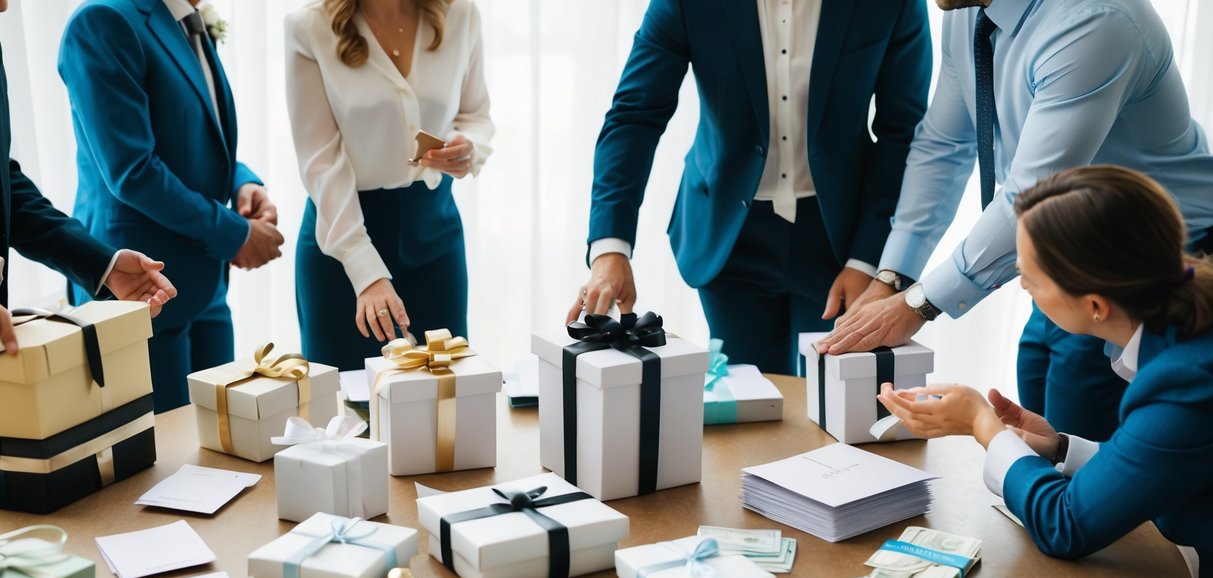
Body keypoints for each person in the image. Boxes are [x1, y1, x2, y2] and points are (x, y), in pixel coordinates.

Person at [877, 165, 1213, 578]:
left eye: (1029, 278)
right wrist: (1058, 447)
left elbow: (1064, 525)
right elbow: (1177, 460)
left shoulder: (1186, 378)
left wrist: (980, 426)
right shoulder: (1183, 331)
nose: (1021, 289)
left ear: (1092, 305)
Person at [820, 0, 1213, 442]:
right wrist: (893, 278)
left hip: (1145, 267)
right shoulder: (967, 11)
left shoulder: (1094, 20)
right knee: (1043, 432)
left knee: (1083, 475)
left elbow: (1026, 194)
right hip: (1061, 260)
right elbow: (944, 145)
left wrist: (920, 304)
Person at [568, 0, 932, 375]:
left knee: (837, 408)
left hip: (845, 237)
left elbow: (904, 131)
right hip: (730, 240)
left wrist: (867, 259)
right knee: (749, 406)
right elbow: (635, 116)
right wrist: (609, 249)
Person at [58, 0, 284, 412]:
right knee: (160, 464)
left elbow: (194, 137)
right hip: (140, 287)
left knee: (222, 447)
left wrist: (243, 181)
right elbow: (133, 169)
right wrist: (236, 234)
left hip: (205, 281)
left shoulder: (187, 19)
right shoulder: (103, 21)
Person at [285, 0, 493, 371]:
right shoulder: (308, 27)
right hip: (342, 245)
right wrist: (365, 271)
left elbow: (475, 115)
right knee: (348, 413)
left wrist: (468, 147)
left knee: (443, 401)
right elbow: (321, 162)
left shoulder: (461, 14)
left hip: (436, 239)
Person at [0, 2, 177, 352]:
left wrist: (104, 264)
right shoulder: (100, 20)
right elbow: (132, 170)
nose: (7, 5)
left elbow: (7, 188)